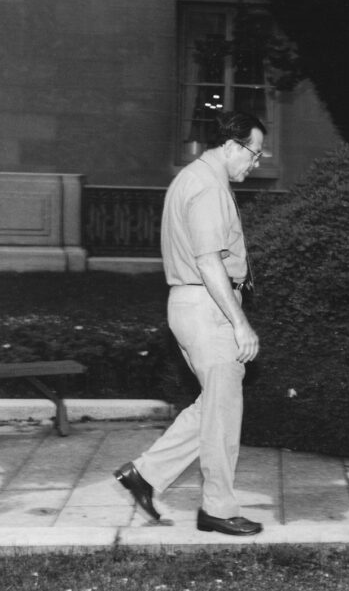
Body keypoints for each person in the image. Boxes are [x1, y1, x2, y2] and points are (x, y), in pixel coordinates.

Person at [114, 111, 265, 536]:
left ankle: (144, 475)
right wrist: (239, 323)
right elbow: (208, 260)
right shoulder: (208, 186)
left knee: (214, 405)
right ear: (233, 146)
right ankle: (217, 508)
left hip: (190, 303)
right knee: (222, 414)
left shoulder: (191, 177)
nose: (255, 165)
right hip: (208, 306)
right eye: (253, 154)